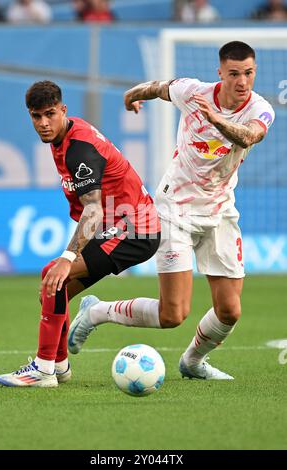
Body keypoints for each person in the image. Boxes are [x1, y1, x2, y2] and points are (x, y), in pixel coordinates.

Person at [67, 41, 275, 380]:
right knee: (173, 314)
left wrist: (216, 121)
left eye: (249, 73)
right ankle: (97, 312)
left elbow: (250, 136)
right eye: (234, 74)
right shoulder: (194, 92)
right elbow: (161, 88)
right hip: (174, 209)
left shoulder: (260, 109)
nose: (242, 82)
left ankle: (192, 362)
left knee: (230, 310)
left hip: (220, 211)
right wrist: (133, 95)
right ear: (220, 73)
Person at [0, 80, 161, 387]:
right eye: (36, 116)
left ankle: (43, 369)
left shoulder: (79, 150)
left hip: (135, 229)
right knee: (57, 288)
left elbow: (93, 210)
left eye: (49, 114)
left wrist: (67, 257)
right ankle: (57, 365)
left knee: (53, 275)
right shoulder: (67, 137)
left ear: (63, 110)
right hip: (123, 225)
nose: (43, 123)